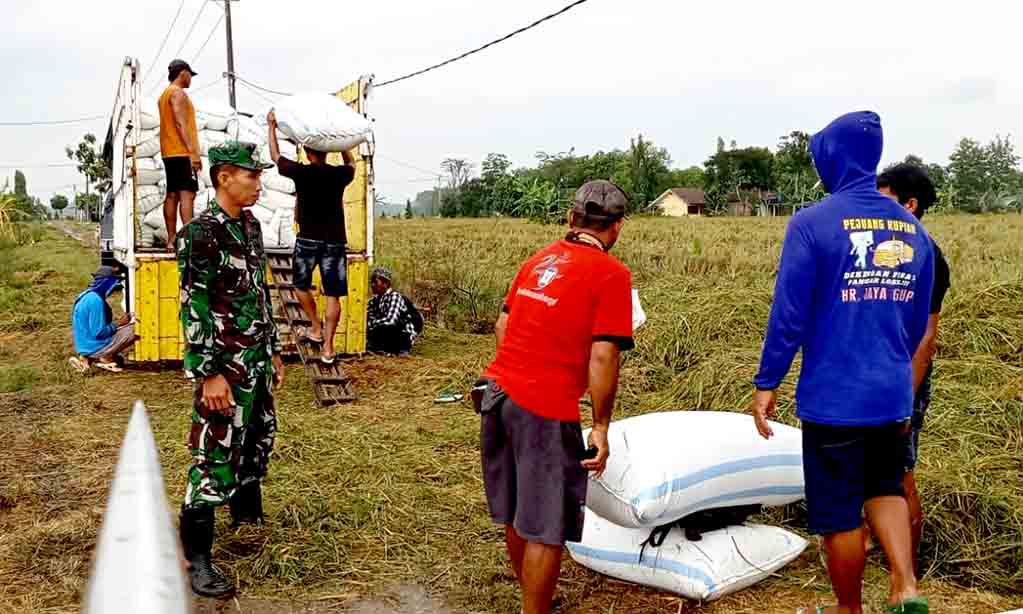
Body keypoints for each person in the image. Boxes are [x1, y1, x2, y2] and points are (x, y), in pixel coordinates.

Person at [750, 112, 934, 614]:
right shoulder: (913, 228)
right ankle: (906, 586)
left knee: (837, 514)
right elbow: (917, 323)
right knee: (885, 485)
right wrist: (888, 362)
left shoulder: (812, 223)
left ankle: (848, 609)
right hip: (892, 392)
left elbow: (789, 313)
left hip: (835, 398)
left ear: (832, 157)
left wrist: (768, 382)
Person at [478, 180, 634, 614]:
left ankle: (533, 598)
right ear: (617, 227)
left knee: (515, 512)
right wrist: (600, 426)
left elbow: (502, 327)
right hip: (545, 409)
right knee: (546, 526)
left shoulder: (539, 260)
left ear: (572, 219)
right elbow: (603, 356)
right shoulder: (612, 275)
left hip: (499, 394)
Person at [176, 141, 284, 599]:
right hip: (225, 369)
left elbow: (259, 293)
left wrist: (274, 349)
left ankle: (246, 513)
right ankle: (197, 558)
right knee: (214, 453)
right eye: (251, 175)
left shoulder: (251, 226)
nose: (258, 183)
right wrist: (208, 374)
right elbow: (193, 305)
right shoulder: (201, 233)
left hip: (255, 361)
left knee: (258, 436)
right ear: (224, 177)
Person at [876, 163, 951, 568]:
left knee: (898, 469)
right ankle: (878, 545)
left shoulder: (928, 257)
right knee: (871, 466)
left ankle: (906, 566)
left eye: (884, 201)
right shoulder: (883, 251)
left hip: (902, 382)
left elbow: (926, 340)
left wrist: (904, 399)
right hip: (874, 374)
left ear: (911, 204)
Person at [266, 110, 355, 363]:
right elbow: (352, 165)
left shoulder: (302, 173)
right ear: (327, 152)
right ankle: (328, 348)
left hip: (307, 240)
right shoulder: (339, 175)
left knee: (300, 285)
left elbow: (275, 156)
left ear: (308, 153)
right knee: (333, 295)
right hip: (335, 241)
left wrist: (271, 126)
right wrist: (343, 145)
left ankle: (315, 326)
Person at [158, 58, 202, 248]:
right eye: (190, 75)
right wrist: (193, 152)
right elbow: (180, 122)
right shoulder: (178, 94)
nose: (190, 79)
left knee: (172, 195)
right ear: (183, 73)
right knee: (187, 195)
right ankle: (187, 240)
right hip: (182, 152)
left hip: (169, 152)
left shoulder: (164, 95)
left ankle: (171, 239)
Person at [68, 265, 137, 373]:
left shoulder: (85, 295)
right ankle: (105, 355)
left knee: (119, 360)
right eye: (114, 283)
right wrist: (119, 323)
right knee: (136, 329)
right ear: (107, 282)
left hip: (84, 346)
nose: (114, 288)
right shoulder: (96, 301)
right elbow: (99, 332)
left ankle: (87, 359)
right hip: (95, 346)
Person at [366, 267, 420, 356]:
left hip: (402, 335)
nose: (372, 285)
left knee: (386, 327)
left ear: (385, 284)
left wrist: (371, 324)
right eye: (371, 282)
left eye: (375, 282)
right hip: (385, 333)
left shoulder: (395, 296)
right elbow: (367, 317)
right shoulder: (373, 301)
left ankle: (401, 350)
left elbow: (391, 321)